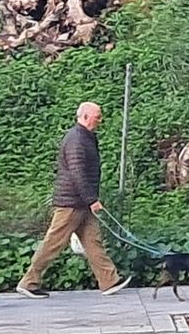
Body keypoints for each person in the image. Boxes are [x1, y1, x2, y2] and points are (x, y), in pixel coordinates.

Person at [16, 102, 131, 297]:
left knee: (93, 241)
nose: (100, 120)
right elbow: (78, 173)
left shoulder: (86, 137)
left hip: (81, 202)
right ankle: (29, 282)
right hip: (71, 202)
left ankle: (109, 281)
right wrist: (91, 199)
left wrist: (89, 200)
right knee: (54, 242)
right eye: (98, 116)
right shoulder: (76, 139)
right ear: (85, 116)